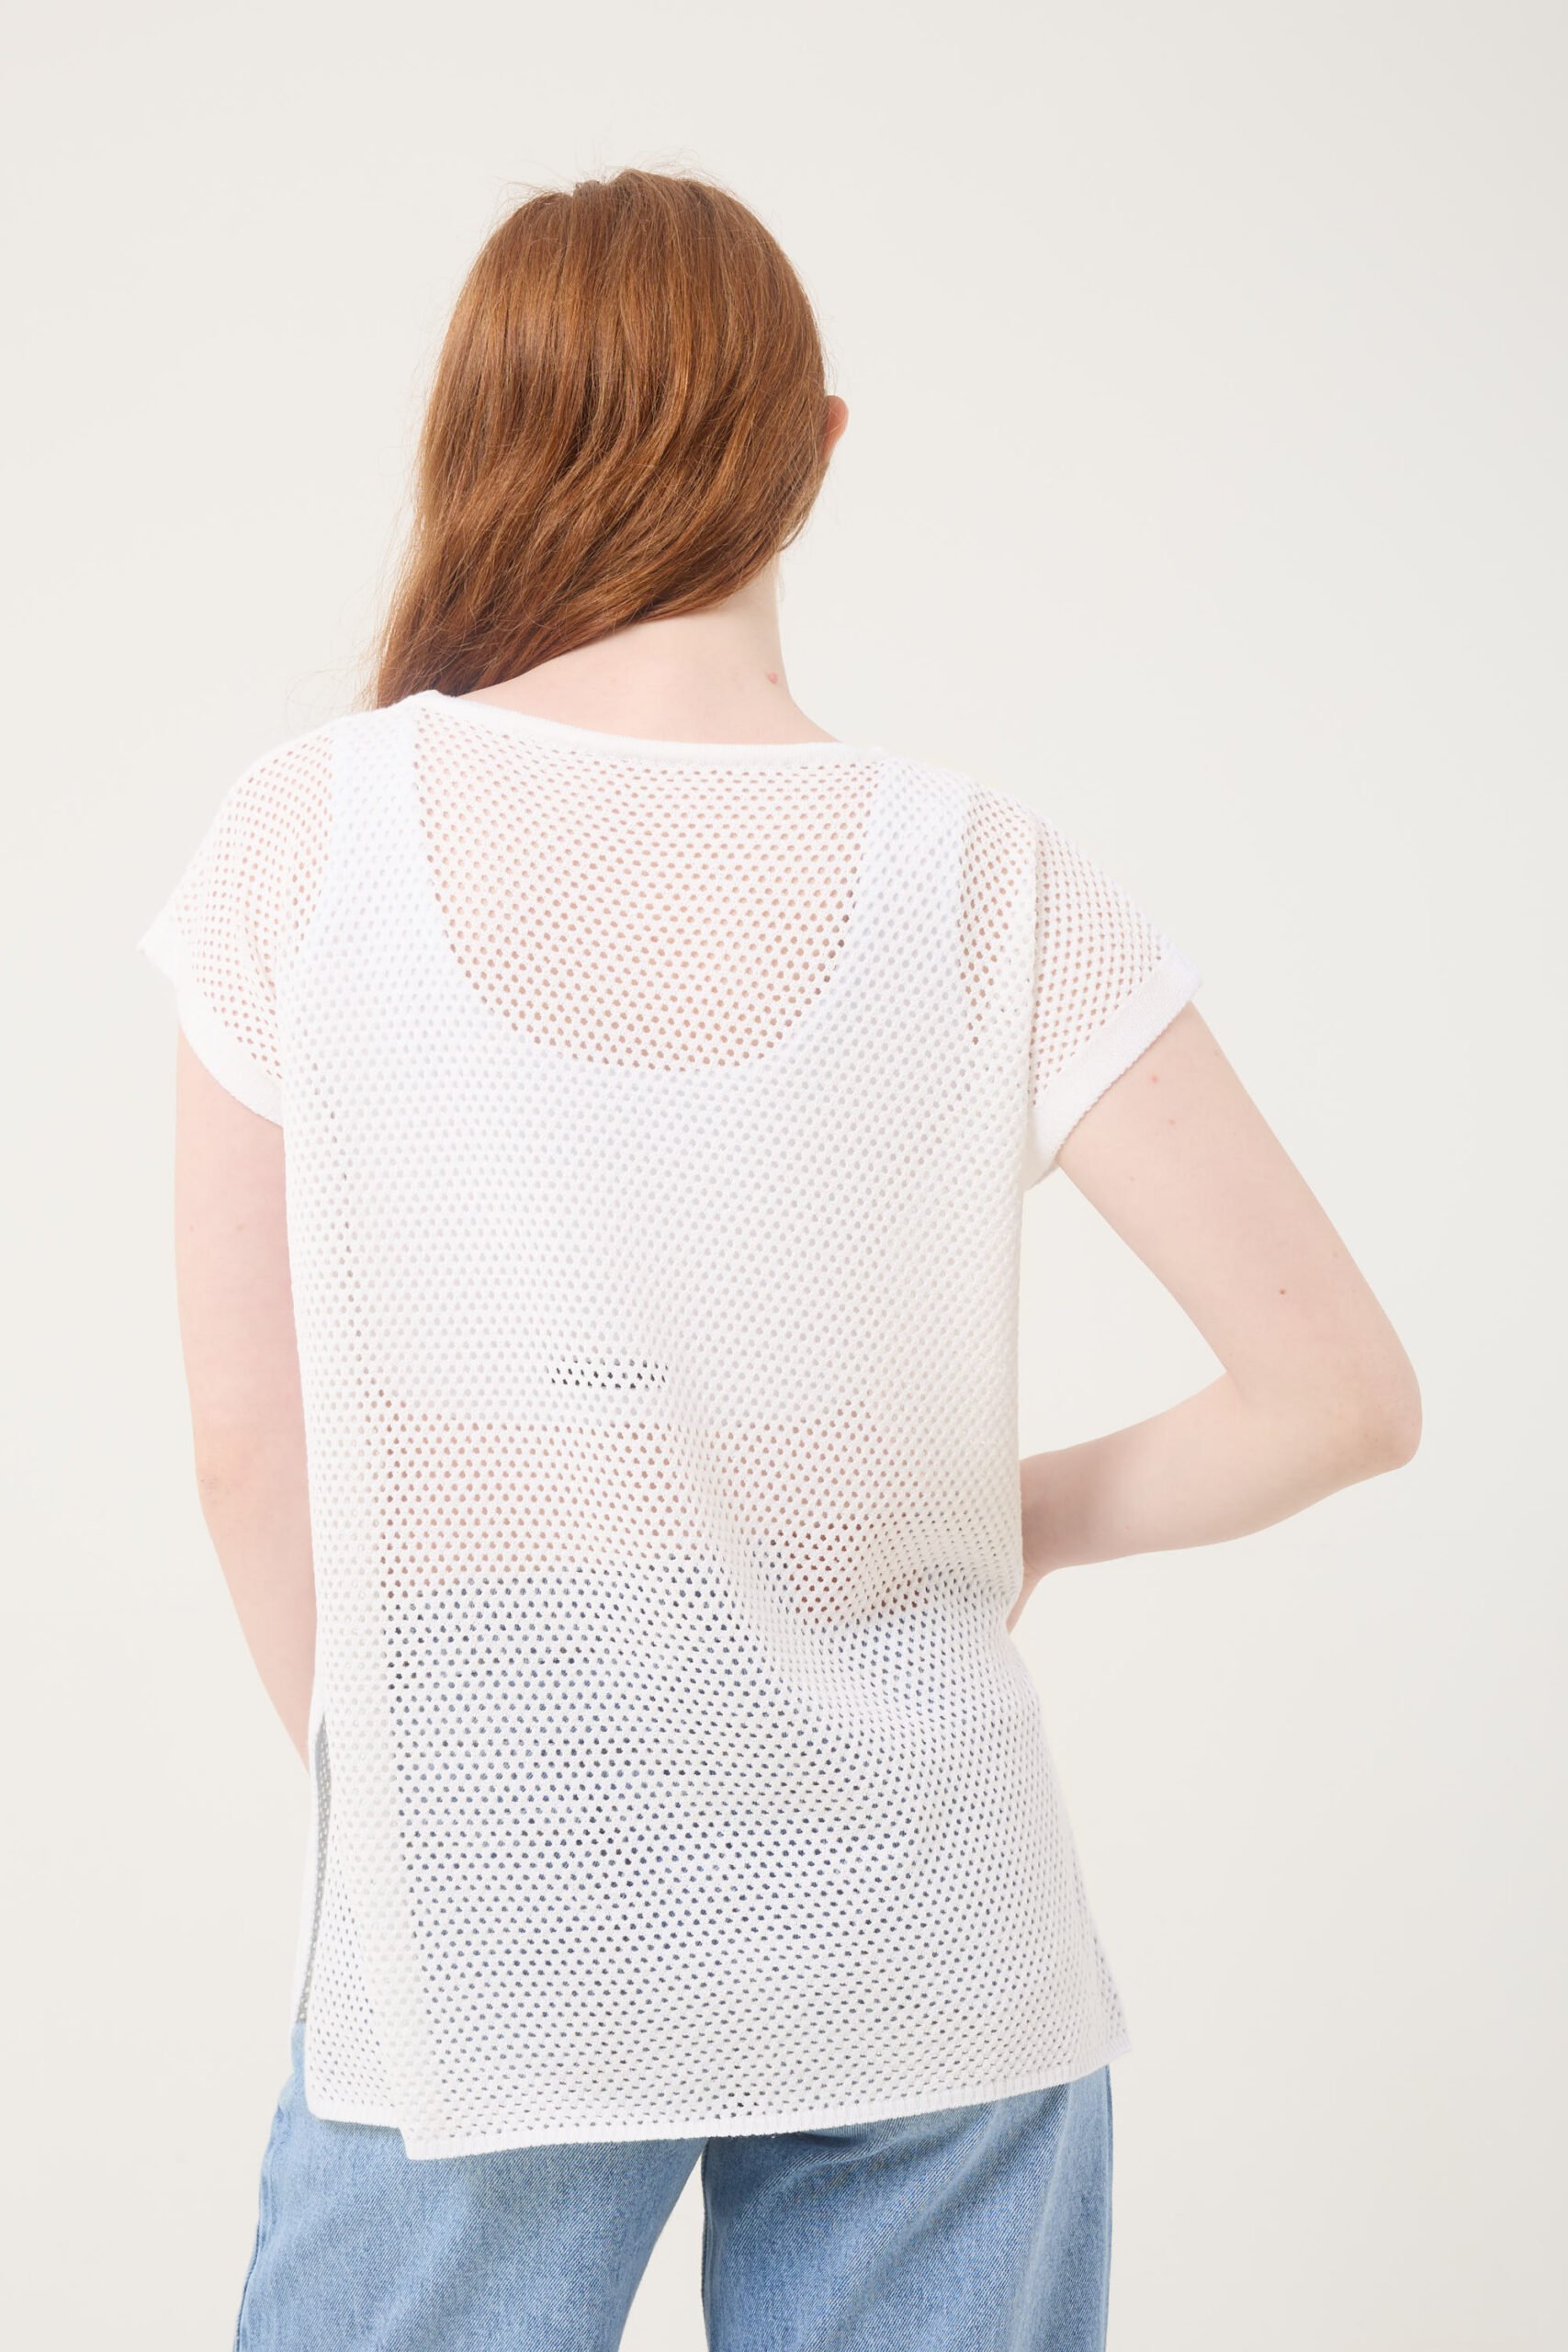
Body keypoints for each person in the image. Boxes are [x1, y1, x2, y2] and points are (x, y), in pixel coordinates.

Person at [135, 167, 1421, 2352]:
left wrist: (419, 1822)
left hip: (495, 1869)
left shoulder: (309, 838)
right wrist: (1006, 1518)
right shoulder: (982, 872)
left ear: (472, 441)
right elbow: (1340, 1394)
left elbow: (249, 1450)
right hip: (927, 1890)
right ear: (813, 446)